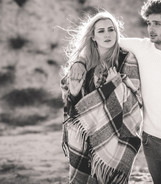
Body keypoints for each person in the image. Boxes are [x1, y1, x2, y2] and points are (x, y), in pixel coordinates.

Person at [69, 0, 161, 184]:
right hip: (150, 140)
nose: (151, 29)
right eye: (149, 23)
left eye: (157, 24)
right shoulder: (142, 47)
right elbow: (103, 41)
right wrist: (79, 62)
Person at [60, 10, 143, 184]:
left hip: (117, 135)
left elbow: (135, 99)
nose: (107, 34)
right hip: (87, 135)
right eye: (101, 31)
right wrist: (74, 91)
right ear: (93, 36)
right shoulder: (84, 63)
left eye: (111, 29)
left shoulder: (127, 59)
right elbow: (74, 108)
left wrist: (116, 85)